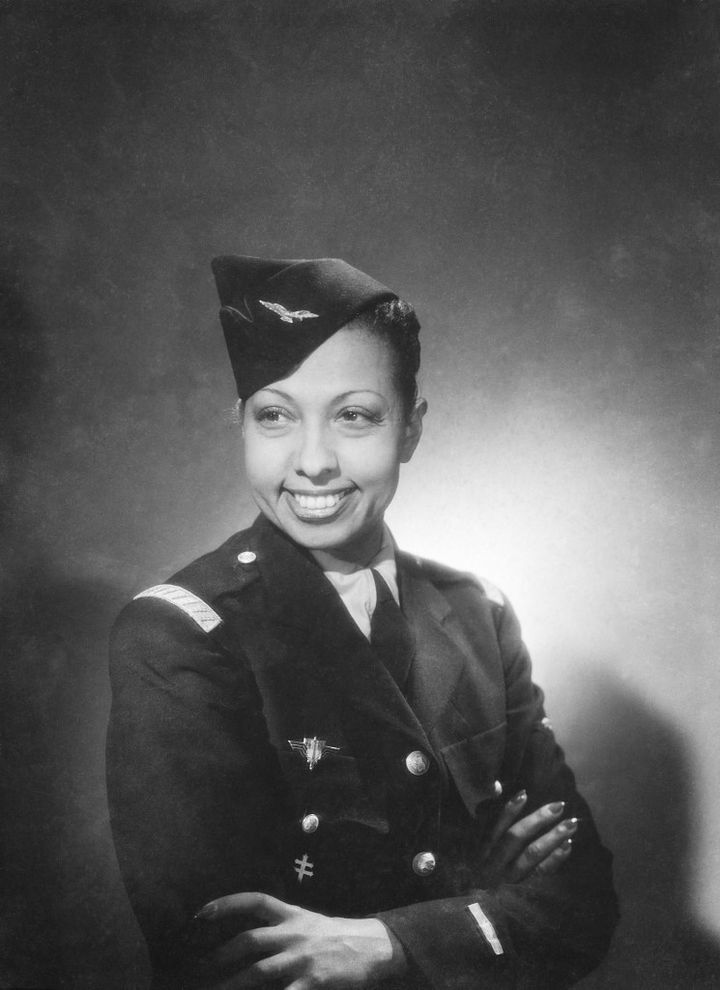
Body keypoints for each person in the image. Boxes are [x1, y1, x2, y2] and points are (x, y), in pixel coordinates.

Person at [106, 255, 618, 990]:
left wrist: (386, 943)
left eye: (354, 415)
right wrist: (481, 895)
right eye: (275, 415)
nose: (312, 462)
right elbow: (229, 961)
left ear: (411, 428)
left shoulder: (478, 616)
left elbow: (583, 906)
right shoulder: (183, 634)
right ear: (239, 424)